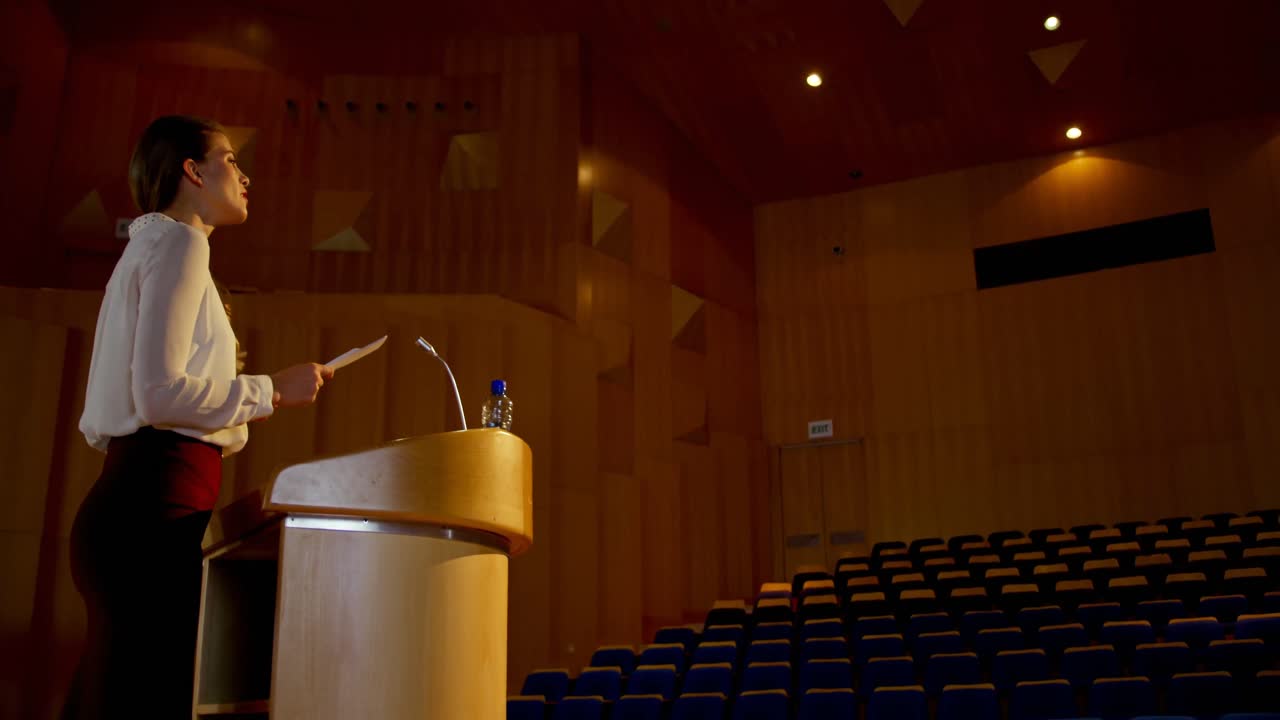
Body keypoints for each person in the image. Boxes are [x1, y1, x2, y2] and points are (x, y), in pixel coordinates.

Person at [62, 115, 332, 719]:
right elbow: (159, 396)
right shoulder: (182, 243)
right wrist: (272, 391)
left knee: (116, 694)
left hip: (135, 501)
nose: (245, 175)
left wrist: (237, 396)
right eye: (230, 160)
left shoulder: (151, 245)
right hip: (150, 507)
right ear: (191, 170)